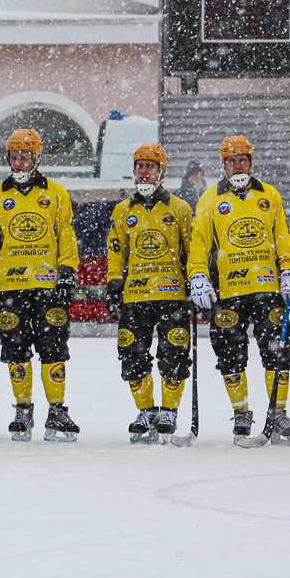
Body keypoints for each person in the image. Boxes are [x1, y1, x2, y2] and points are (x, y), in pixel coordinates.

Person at [186, 135, 290, 443]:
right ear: (223, 165)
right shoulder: (211, 199)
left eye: (241, 160)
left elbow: (282, 238)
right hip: (229, 290)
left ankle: (277, 412)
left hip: (266, 287)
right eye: (230, 161)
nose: (236, 165)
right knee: (228, 352)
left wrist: (289, 269)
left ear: (251, 162)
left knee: (276, 350)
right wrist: (198, 275)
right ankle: (241, 411)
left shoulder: (269, 196)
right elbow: (199, 244)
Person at [0, 128, 80, 441]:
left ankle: (57, 410)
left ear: (37, 156)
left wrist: (67, 272)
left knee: (53, 348)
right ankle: (23, 409)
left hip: (48, 285)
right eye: (14, 155)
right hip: (11, 286)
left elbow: (66, 235)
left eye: (26, 155)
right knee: (15, 349)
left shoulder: (56, 193)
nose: (20, 161)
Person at [105, 143, 194, 443]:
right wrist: (113, 282)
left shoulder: (179, 208)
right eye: (140, 166)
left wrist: (196, 282)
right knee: (133, 356)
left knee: (174, 355)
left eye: (150, 166)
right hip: (135, 296)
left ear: (161, 171)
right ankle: (146, 411)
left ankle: (169, 410)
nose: (144, 172)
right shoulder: (122, 211)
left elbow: (191, 252)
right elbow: (116, 253)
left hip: (172, 295)